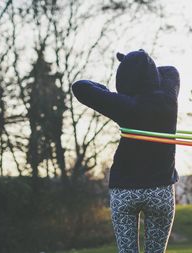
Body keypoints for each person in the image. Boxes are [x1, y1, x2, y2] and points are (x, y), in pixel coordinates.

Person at [71, 49, 180, 253]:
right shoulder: (168, 98)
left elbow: (80, 87)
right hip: (160, 188)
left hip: (125, 190)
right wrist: (145, 64)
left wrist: (110, 95)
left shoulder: (124, 104)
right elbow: (169, 71)